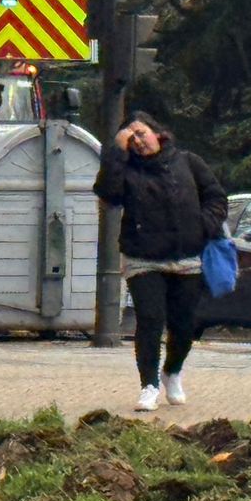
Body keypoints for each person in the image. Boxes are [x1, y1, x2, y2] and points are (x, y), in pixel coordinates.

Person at [93, 111, 226, 412]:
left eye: (141, 133)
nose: (138, 141)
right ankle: (149, 385)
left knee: (184, 325)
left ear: (158, 133)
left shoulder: (188, 162)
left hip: (186, 256)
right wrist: (117, 151)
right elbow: (108, 194)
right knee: (150, 321)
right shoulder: (127, 170)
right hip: (144, 258)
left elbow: (216, 197)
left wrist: (202, 225)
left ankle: (172, 372)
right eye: (131, 137)